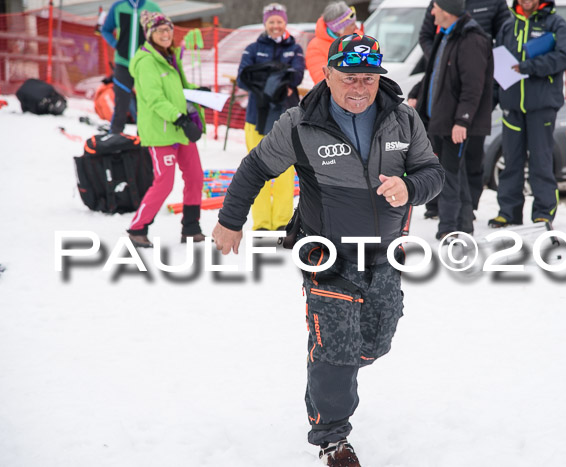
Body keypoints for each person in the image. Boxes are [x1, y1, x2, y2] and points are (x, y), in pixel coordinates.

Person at [212, 34, 444, 467]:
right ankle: (333, 439)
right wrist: (230, 220)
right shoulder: (299, 123)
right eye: (349, 78)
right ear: (327, 74)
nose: (359, 88)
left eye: (369, 79)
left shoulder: (402, 120)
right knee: (337, 349)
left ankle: (328, 356)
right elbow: (254, 168)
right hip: (326, 253)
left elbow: (433, 173)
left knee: (374, 343)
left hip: (385, 253)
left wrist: (410, 186)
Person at [411, 0, 509, 220]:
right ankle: (452, 219)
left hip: (465, 109)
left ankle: (458, 221)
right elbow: (430, 60)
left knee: (463, 167)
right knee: (447, 169)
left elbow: (473, 83)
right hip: (443, 111)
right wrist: (418, 91)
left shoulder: (473, 36)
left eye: (436, 9)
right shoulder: (444, 34)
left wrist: (463, 119)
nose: (432, 11)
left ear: (448, 11)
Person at [126, 11, 208, 247]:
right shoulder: (146, 61)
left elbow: (180, 88)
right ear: (150, 34)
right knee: (165, 182)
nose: (166, 34)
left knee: (195, 177)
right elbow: (154, 98)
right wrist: (181, 119)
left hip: (181, 128)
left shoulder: (170, 56)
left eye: (168, 29)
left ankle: (191, 228)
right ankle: (137, 227)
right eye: (160, 30)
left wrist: (198, 90)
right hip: (161, 131)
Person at [489, 0, 566, 227]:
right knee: (511, 162)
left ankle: (543, 214)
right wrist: (492, 100)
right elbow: (499, 66)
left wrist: (529, 66)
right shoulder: (508, 25)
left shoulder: (555, 23)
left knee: (541, 162)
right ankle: (508, 212)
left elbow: (565, 57)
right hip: (512, 107)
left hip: (541, 107)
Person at [237, 3, 305, 231]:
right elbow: (242, 78)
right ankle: (262, 224)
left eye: (279, 22)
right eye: (272, 22)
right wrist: (276, 77)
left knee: (285, 173)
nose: (276, 26)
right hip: (257, 117)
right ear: (265, 24)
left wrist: (266, 74)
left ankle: (282, 223)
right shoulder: (253, 48)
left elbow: (296, 76)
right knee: (257, 171)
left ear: (285, 23)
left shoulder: (294, 48)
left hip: (286, 119)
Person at [101, 0, 162, 134]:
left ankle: (143, 141)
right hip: (123, 64)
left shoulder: (152, 8)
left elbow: (161, 33)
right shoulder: (118, 7)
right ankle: (115, 138)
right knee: (121, 104)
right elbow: (105, 30)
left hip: (145, 65)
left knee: (146, 104)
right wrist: (117, 45)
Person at [306, 2, 359, 84]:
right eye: (352, 25)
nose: (356, 27)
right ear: (339, 30)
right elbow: (323, 80)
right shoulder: (316, 47)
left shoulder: (359, 37)